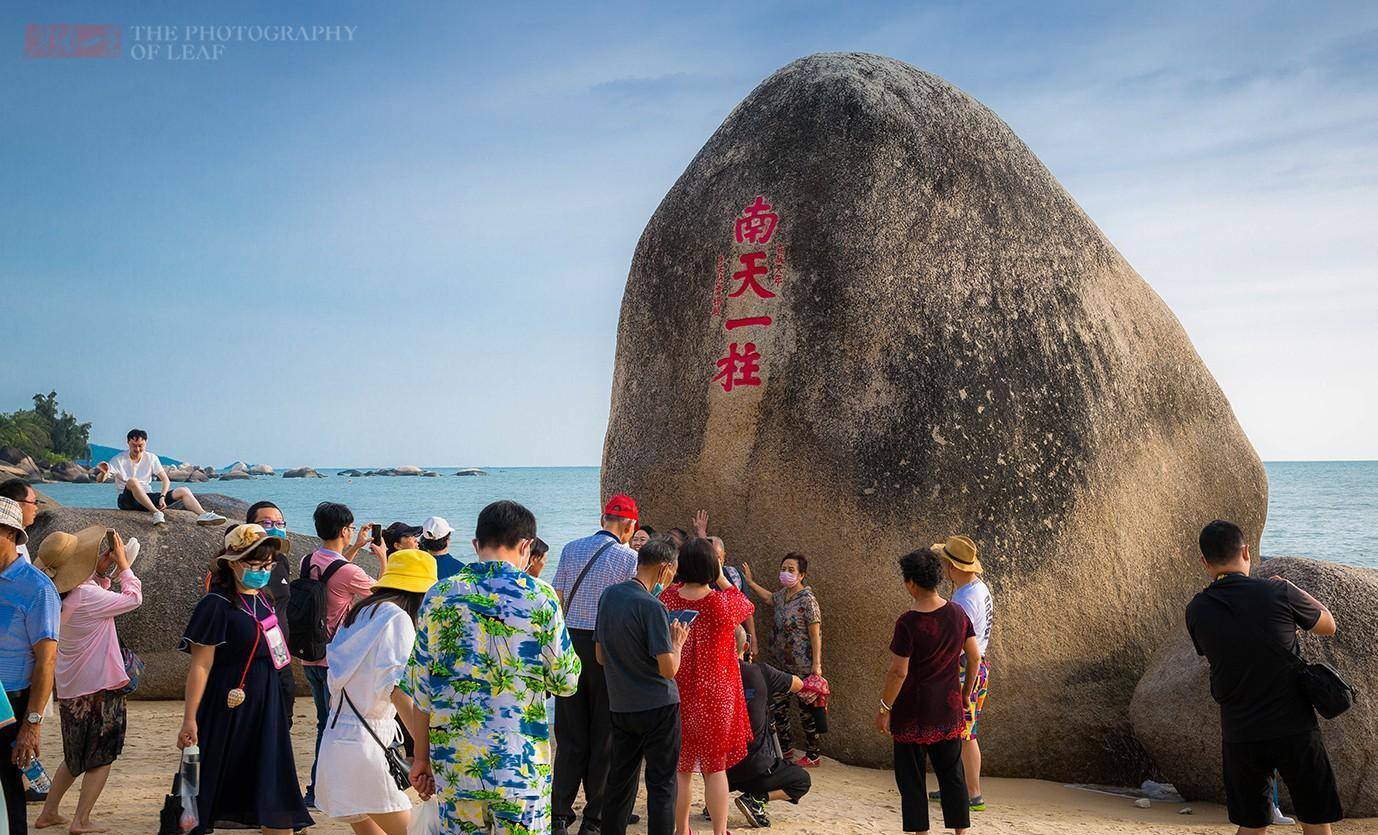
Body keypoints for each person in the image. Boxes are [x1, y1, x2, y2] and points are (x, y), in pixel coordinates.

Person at [404, 500, 581, 834]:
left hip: (455, 765)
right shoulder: (540, 597)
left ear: (475, 544)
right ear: (527, 546)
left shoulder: (439, 596)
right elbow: (566, 680)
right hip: (520, 766)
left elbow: (420, 690)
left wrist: (421, 759)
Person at [1185, 520, 1342, 835]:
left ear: (1204, 562)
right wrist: (1293, 589)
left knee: (1251, 824)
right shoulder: (1278, 591)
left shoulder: (1197, 609)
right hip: (1294, 726)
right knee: (1314, 819)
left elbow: (1218, 652)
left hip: (1241, 730)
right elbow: (1328, 624)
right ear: (1246, 551)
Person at [177, 524, 312, 834]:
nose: (262, 571)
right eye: (254, 564)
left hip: (267, 703)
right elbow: (200, 666)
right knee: (204, 786)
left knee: (272, 786)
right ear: (233, 563)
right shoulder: (216, 605)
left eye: (267, 565)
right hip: (227, 705)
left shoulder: (263, 598)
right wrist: (189, 720)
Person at [316, 549, 437, 835]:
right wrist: (424, 752)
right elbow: (398, 691)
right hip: (369, 745)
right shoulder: (398, 620)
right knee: (412, 832)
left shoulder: (361, 613)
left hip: (337, 742)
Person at [32, 527, 142, 834]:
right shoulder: (88, 595)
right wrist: (124, 565)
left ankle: (49, 812)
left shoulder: (59, 595)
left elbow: (92, 593)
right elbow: (133, 598)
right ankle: (81, 820)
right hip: (100, 688)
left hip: (71, 688)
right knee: (102, 756)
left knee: (74, 755)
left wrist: (102, 570)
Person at [550, 495, 640, 835]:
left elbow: (557, 598)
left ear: (603, 518)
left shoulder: (571, 548)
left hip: (570, 643)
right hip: (608, 649)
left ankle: (559, 814)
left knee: (570, 734)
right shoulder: (629, 558)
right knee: (604, 736)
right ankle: (594, 819)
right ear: (630, 526)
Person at [876, 546, 980, 835]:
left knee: (911, 778)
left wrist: (884, 708)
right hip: (947, 708)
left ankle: (920, 832)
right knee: (952, 774)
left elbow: (899, 671)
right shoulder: (958, 614)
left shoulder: (907, 622)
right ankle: (960, 833)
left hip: (912, 711)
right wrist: (966, 693)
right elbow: (974, 656)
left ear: (910, 583)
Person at [660, 537, 755, 835]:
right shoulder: (719, 603)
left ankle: (681, 829)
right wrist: (723, 579)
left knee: (682, 768)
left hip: (679, 689)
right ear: (711, 568)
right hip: (717, 693)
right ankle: (719, 831)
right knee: (716, 769)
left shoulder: (668, 598)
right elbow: (746, 604)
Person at [596, 535, 689, 835]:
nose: (672, 579)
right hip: (659, 707)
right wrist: (677, 643)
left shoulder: (609, 596)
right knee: (661, 785)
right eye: (673, 572)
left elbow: (600, 656)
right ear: (664, 569)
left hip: (621, 704)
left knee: (619, 781)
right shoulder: (652, 607)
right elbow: (668, 670)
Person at [301, 502, 385, 810]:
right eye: (350, 529)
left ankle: (321, 789)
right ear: (343, 531)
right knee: (333, 726)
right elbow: (383, 595)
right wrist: (383, 557)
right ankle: (317, 791)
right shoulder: (350, 572)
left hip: (309, 656)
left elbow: (332, 576)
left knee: (326, 722)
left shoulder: (308, 559)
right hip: (335, 661)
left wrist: (355, 548)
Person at [0, 496, 59, 835]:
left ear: (10, 533)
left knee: (8, 796)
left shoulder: (37, 589)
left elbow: (46, 661)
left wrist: (32, 724)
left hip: (11, 705)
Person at [929, 535, 993, 812]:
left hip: (966, 668)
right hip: (974, 665)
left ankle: (973, 794)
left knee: (965, 733)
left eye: (945, 563)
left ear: (953, 568)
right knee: (959, 731)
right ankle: (956, 787)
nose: (943, 568)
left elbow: (958, 644)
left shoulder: (966, 599)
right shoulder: (976, 589)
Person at [742, 553, 824, 766]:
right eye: (783, 568)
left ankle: (813, 754)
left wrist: (817, 665)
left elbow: (815, 634)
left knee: (807, 711)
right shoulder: (783, 596)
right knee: (779, 707)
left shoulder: (807, 600)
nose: (786, 573)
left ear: (802, 574)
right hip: (780, 665)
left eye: (791, 570)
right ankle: (786, 750)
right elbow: (770, 598)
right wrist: (750, 583)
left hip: (803, 665)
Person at [728, 626, 812, 828]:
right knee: (801, 780)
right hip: (755, 769)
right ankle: (757, 799)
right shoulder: (761, 672)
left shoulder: (710, 674)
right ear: (746, 646)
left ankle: (714, 801)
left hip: (720, 771)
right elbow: (798, 684)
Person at [96, 429, 224, 527]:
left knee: (184, 490)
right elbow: (100, 480)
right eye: (134, 445)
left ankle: (203, 514)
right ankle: (156, 513)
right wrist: (103, 472)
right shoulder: (119, 459)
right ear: (128, 443)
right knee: (133, 481)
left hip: (147, 497)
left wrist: (162, 496)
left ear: (145, 443)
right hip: (128, 501)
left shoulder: (151, 458)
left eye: (140, 445)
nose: (137, 449)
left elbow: (165, 479)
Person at [245, 501, 296, 727]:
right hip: (251, 659)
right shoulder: (240, 567)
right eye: (266, 523)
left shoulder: (281, 560)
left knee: (284, 721)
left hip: (280, 654)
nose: (274, 527)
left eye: (279, 523)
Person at [709, 535, 759, 662]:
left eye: (718, 558)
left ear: (724, 557)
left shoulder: (734, 576)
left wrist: (753, 641)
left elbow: (746, 609)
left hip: (734, 644)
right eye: (709, 557)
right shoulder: (695, 581)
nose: (713, 563)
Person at [0, 480, 39, 561]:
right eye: (34, 502)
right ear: (16, 503)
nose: (36, 508)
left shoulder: (18, 545)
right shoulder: (12, 547)